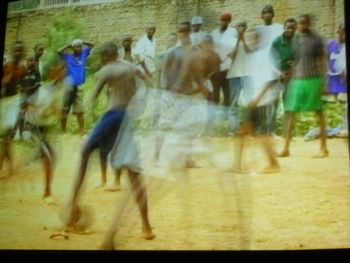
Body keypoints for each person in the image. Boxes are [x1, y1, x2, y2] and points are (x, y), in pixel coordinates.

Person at [64, 41, 155, 248]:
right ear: (118, 53)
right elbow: (149, 83)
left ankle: (72, 210)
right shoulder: (130, 66)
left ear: (105, 57)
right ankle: (147, 226)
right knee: (134, 173)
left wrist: (88, 110)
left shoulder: (107, 69)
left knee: (86, 152)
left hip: (113, 115)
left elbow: (94, 94)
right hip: (127, 120)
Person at [278, 14, 329, 158]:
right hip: (297, 81)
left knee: (319, 114)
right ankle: (285, 148)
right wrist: (290, 75)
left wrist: (324, 81)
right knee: (290, 113)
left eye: (304, 23)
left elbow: (323, 60)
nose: (301, 26)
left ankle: (323, 148)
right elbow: (296, 59)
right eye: (299, 24)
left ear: (309, 24)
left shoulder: (317, 39)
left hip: (313, 79)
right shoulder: (296, 39)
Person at [233, 28, 281, 173]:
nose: (250, 42)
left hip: (260, 101)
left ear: (259, 40)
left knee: (258, 134)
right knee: (244, 132)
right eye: (248, 39)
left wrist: (257, 99)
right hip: (253, 100)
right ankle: (237, 166)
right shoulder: (252, 57)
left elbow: (269, 81)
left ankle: (273, 164)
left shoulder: (263, 56)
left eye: (253, 39)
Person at [24, 61, 66, 203]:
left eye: (62, 71)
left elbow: (56, 111)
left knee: (49, 157)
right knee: (49, 157)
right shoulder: (45, 89)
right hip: (36, 126)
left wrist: (56, 112)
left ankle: (36, 157)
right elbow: (29, 104)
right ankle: (47, 192)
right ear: (52, 72)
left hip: (45, 127)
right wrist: (39, 109)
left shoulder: (60, 89)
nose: (61, 73)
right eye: (58, 70)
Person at [58, 39, 94, 133]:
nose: (80, 48)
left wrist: (83, 42)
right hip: (69, 86)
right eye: (77, 46)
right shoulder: (68, 57)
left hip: (79, 86)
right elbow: (59, 51)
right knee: (65, 108)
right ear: (73, 48)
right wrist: (68, 45)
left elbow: (92, 44)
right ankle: (63, 132)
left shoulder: (84, 54)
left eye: (80, 46)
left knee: (80, 110)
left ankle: (81, 130)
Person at [0, 40, 26, 176]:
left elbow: (22, 84)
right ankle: (10, 166)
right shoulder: (6, 66)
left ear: (23, 52)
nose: (18, 53)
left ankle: (5, 167)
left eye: (20, 50)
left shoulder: (22, 67)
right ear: (12, 52)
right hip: (3, 101)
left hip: (14, 101)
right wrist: (5, 82)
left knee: (7, 135)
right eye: (16, 50)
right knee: (5, 137)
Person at [270, 18, 298, 136]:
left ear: (295, 28)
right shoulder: (276, 42)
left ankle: (287, 133)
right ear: (284, 28)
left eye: (292, 27)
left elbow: (302, 58)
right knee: (273, 103)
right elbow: (269, 60)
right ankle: (271, 132)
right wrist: (277, 72)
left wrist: (296, 64)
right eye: (288, 27)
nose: (290, 30)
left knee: (289, 103)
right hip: (277, 75)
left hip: (292, 75)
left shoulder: (298, 41)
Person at [226, 19, 251, 135]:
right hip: (234, 75)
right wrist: (237, 41)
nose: (241, 27)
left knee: (248, 104)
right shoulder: (230, 40)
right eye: (239, 25)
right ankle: (233, 130)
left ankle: (246, 129)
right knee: (233, 104)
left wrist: (243, 38)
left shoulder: (249, 39)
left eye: (243, 25)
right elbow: (232, 56)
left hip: (247, 75)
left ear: (246, 27)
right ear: (235, 28)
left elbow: (250, 53)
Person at [17, 53, 41, 140]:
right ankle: (20, 135)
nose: (29, 62)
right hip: (23, 97)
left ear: (34, 62)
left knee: (31, 116)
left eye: (31, 60)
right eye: (28, 60)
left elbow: (38, 84)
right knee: (21, 115)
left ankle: (31, 136)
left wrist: (29, 88)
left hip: (33, 97)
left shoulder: (37, 72)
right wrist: (20, 87)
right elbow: (18, 83)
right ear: (25, 62)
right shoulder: (22, 71)